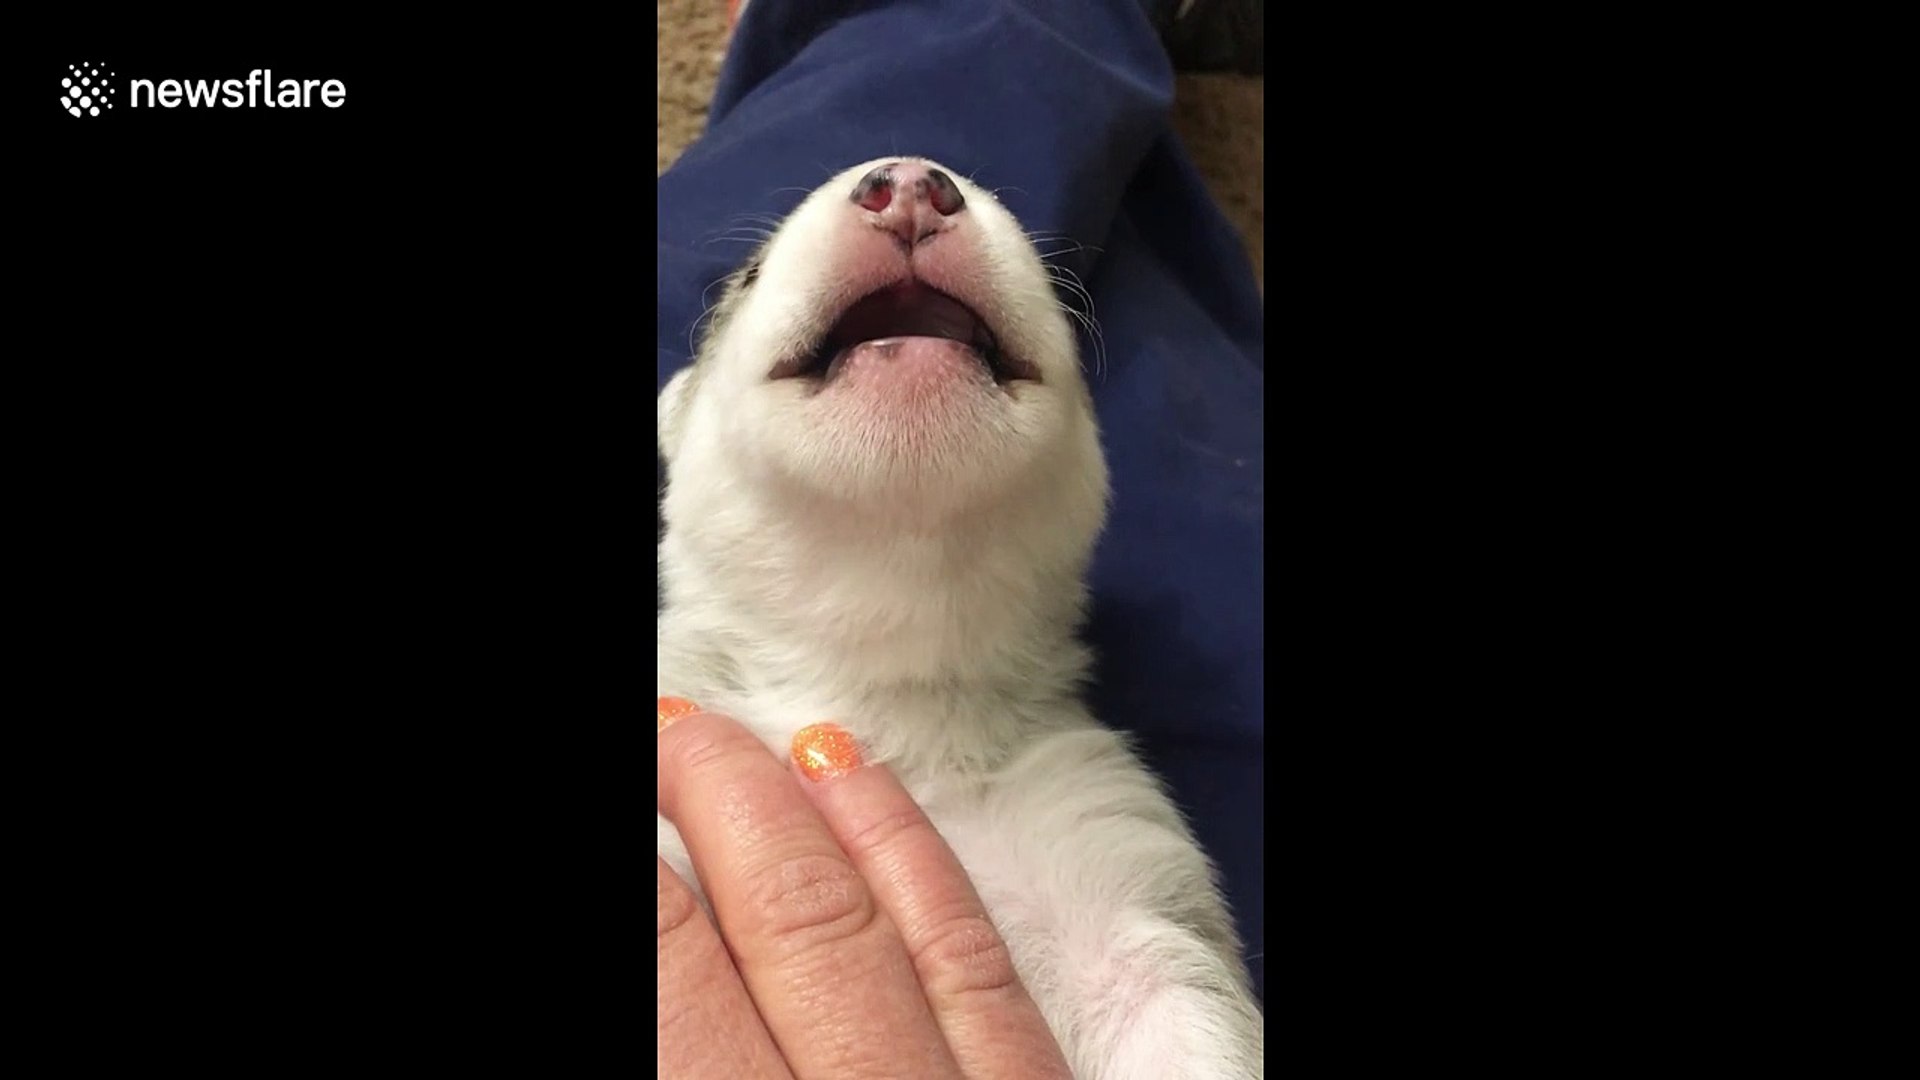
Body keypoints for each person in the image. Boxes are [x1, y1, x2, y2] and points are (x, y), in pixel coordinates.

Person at [656, 0, 1264, 1067]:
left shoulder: (1080, 811)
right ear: (677, 426)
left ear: (1095, 467)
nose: (908, 195)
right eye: (749, 282)